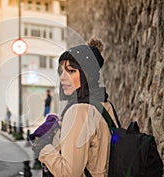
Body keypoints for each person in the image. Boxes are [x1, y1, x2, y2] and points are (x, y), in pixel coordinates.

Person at [31, 39, 120, 177]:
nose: (62, 78)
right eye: (61, 71)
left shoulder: (79, 111)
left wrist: (42, 146)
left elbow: (69, 173)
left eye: (71, 71)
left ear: (87, 75)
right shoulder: (104, 105)